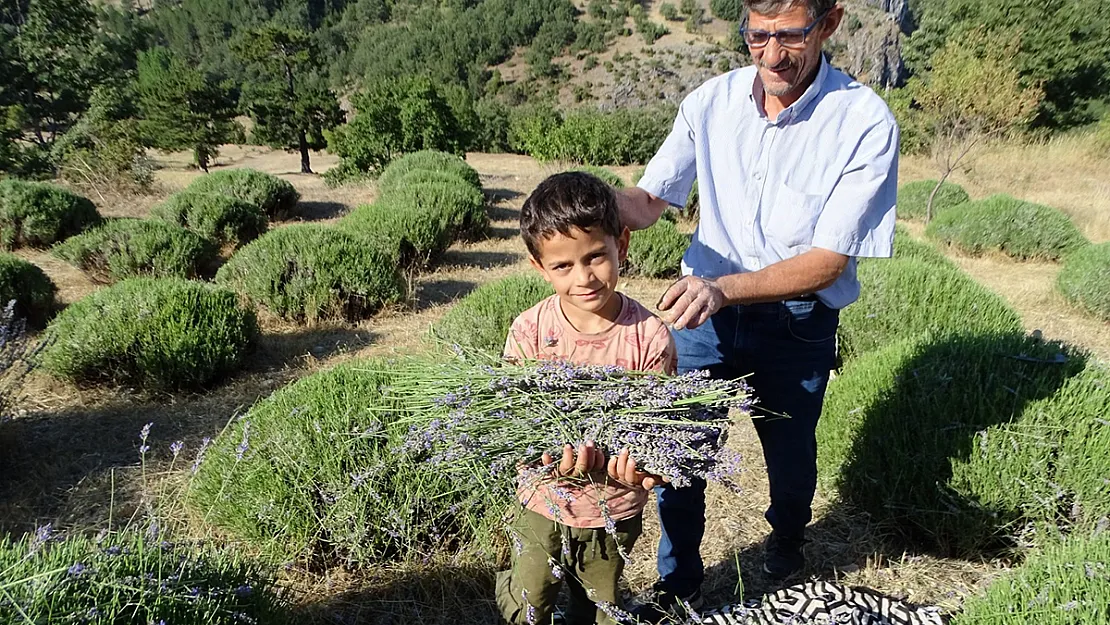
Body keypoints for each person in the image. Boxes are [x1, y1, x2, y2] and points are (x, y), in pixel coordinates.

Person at [617, 0, 900, 618]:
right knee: (679, 454)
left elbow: (828, 261)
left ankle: (788, 541)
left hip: (796, 322)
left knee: (791, 455)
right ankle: (678, 582)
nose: (773, 55)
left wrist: (726, 288)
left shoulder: (862, 121)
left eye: (792, 36)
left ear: (830, 23)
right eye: (758, 36)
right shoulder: (709, 103)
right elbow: (643, 203)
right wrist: (576, 204)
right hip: (702, 320)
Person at [495, 171, 678, 625]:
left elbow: (658, 432)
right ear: (540, 267)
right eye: (563, 266)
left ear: (623, 244)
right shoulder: (531, 331)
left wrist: (642, 469)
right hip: (542, 502)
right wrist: (540, 456)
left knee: (601, 607)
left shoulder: (649, 337)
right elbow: (512, 422)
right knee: (530, 599)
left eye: (596, 256)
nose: (585, 277)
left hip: (613, 509)